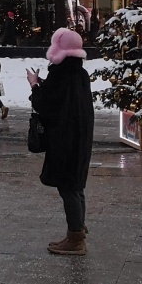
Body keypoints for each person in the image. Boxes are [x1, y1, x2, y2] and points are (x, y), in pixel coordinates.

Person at [28, 28, 94, 255]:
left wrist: (35, 85)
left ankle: (76, 239)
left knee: (68, 189)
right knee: (76, 187)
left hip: (64, 140)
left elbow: (45, 106)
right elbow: (64, 100)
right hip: (80, 138)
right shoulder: (79, 74)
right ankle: (77, 232)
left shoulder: (61, 75)